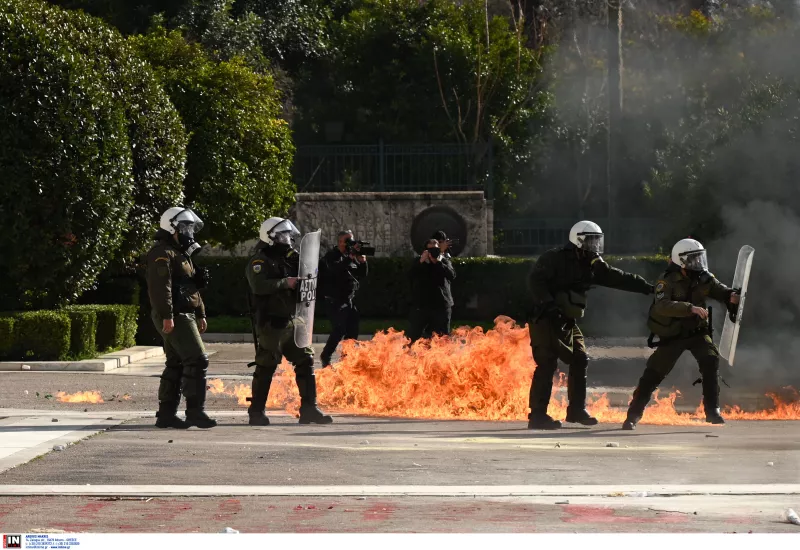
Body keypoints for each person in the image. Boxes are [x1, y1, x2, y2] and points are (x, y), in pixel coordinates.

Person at [527, 221, 654, 430]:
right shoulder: (554, 258)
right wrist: (549, 304)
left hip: (567, 321)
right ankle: (537, 415)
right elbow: (535, 281)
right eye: (591, 241)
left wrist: (648, 288)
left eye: (597, 241)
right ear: (578, 241)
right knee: (547, 363)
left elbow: (618, 278)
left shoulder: (591, 266)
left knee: (580, 358)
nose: (595, 246)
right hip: (546, 319)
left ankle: (576, 410)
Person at [622, 238, 740, 430]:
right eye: (693, 259)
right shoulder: (666, 281)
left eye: (700, 258)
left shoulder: (704, 278)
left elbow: (719, 289)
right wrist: (689, 308)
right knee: (654, 373)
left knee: (710, 360)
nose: (698, 263)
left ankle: (712, 410)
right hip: (673, 334)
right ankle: (633, 415)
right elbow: (662, 306)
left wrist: (730, 296)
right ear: (681, 261)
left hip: (697, 332)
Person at [245, 217, 333, 426]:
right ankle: (256, 411)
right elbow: (258, 286)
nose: (287, 239)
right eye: (283, 235)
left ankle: (309, 409)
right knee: (266, 365)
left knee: (305, 360)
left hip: (294, 319)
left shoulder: (289, 259)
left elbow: (311, 272)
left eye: (288, 235)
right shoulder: (259, 261)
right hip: (272, 322)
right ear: (270, 237)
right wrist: (286, 282)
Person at [147, 207, 216, 430]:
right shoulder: (162, 253)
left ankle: (166, 415)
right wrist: (167, 316)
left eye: (190, 227)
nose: (189, 231)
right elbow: (161, 288)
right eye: (185, 227)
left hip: (184, 313)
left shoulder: (181, 254)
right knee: (197, 359)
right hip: (175, 314)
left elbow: (190, 287)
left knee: (175, 363)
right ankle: (195, 412)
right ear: (171, 228)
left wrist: (200, 313)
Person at [319, 230, 368, 368]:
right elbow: (336, 270)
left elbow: (361, 274)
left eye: (351, 240)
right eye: (348, 240)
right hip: (334, 300)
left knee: (353, 329)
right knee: (339, 328)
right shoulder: (331, 256)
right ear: (340, 242)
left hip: (348, 299)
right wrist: (350, 257)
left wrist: (362, 262)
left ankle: (346, 358)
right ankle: (326, 355)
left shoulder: (350, 256)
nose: (350, 243)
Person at [407, 238, 456, 343]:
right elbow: (410, 275)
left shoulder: (444, 261)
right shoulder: (419, 261)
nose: (433, 252)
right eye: (430, 249)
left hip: (441, 305)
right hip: (421, 305)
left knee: (442, 338)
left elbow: (451, 275)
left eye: (435, 249)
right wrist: (421, 261)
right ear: (425, 250)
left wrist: (437, 262)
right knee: (413, 337)